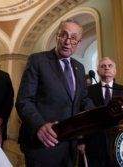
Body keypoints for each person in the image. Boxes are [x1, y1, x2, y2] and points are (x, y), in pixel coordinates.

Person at [15, 19, 94, 167]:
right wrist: (39, 126)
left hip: (69, 146)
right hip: (43, 145)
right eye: (63, 35)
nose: (67, 41)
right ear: (57, 36)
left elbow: (83, 101)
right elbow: (24, 101)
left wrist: (98, 113)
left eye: (73, 37)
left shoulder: (79, 68)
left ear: (79, 42)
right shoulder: (38, 60)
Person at [84, 57, 123, 167]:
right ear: (97, 71)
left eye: (110, 66)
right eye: (103, 66)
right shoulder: (88, 91)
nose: (106, 68)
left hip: (119, 142)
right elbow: (84, 117)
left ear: (115, 71)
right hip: (95, 141)